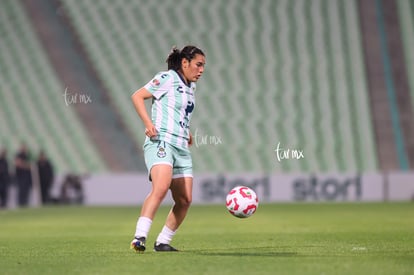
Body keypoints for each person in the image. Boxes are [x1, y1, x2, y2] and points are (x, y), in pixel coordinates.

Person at [130, 45, 206, 252]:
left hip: (181, 146)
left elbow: (180, 113)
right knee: (161, 187)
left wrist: (187, 132)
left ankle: (163, 241)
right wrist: (148, 124)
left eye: (203, 66)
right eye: (198, 65)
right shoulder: (167, 78)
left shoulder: (191, 86)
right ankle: (140, 237)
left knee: (185, 199)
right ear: (185, 62)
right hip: (161, 141)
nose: (201, 70)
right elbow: (137, 96)